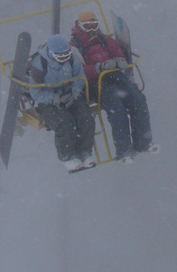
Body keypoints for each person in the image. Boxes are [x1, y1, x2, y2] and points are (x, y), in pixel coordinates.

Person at [70, 10, 158, 164]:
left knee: (138, 99)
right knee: (116, 108)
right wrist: (98, 68)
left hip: (114, 76)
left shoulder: (104, 39)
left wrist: (120, 60)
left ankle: (143, 142)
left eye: (94, 25)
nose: (91, 29)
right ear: (80, 25)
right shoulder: (75, 46)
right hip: (94, 83)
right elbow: (78, 70)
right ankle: (124, 150)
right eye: (87, 25)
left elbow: (117, 51)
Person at [28, 33, 95, 172]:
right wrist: (55, 98)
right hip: (49, 100)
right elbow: (35, 92)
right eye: (60, 57)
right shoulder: (40, 65)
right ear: (52, 54)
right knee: (64, 124)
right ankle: (67, 157)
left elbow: (79, 77)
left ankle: (85, 153)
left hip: (69, 94)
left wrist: (74, 93)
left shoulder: (72, 60)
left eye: (66, 55)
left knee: (86, 118)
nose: (64, 59)